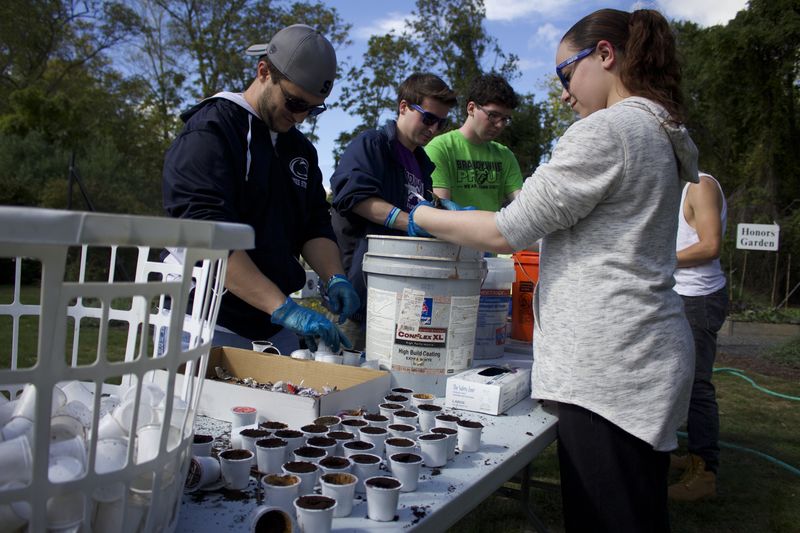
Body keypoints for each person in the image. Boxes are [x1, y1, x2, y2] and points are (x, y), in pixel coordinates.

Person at [406, 8, 698, 532]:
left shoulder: (608, 130)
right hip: (641, 354)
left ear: (605, 55)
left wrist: (413, 213)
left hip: (609, 364)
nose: (564, 93)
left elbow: (506, 230)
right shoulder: (659, 127)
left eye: (567, 74)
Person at [162, 24, 359, 355]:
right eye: (295, 103)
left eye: (313, 109)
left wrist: (335, 276)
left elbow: (313, 222)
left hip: (271, 324)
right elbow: (205, 234)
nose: (301, 117)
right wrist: (284, 308)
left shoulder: (300, 151)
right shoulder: (212, 130)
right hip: (205, 321)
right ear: (264, 71)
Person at [329, 73, 457, 348]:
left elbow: (413, 204)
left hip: (402, 298)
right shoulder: (371, 145)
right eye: (429, 118)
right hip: (359, 295)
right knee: (347, 375)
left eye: (441, 122)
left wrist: (440, 209)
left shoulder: (421, 163)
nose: (434, 129)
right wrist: (409, 222)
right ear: (404, 107)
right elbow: (352, 195)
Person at [669, 172, 728, 500]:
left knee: (697, 387)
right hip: (680, 295)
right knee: (676, 381)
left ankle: (705, 472)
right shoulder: (674, 188)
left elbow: (710, 246)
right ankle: (689, 456)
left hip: (699, 299)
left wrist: (659, 260)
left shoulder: (700, 185)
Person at [425, 73, 523, 211]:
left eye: (505, 119)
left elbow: (522, 206)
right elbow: (442, 211)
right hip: (453, 231)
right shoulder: (440, 148)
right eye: (493, 115)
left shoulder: (505, 155)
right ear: (471, 108)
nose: (500, 125)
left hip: (493, 231)